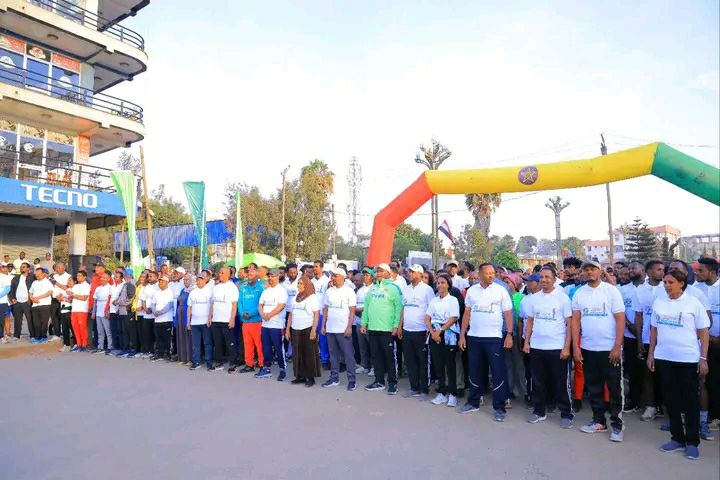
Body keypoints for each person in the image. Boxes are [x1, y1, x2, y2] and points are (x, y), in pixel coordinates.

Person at [648, 268, 710, 460]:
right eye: (665, 282)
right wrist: (651, 354)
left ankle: (692, 442)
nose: (667, 285)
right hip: (664, 358)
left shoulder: (693, 303)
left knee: (690, 401)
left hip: (687, 359)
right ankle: (677, 438)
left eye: (671, 282)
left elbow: (704, 332)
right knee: (671, 400)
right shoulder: (659, 302)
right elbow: (653, 330)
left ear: (681, 284)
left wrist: (703, 358)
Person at [571, 260, 626, 442]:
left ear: (600, 271)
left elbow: (620, 319)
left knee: (614, 387)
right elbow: (576, 321)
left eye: (592, 269)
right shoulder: (579, 293)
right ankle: (599, 421)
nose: (589, 272)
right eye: (586, 269)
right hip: (588, 348)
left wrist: (617, 346)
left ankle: (617, 424)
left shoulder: (611, 291)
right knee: (593, 386)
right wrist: (576, 347)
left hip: (609, 349)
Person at [459, 263, 514, 422]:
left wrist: (509, 335)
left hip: (494, 338)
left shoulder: (500, 290)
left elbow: (508, 314)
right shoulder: (472, 291)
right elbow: (467, 313)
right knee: (474, 370)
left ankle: (499, 407)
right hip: (474, 337)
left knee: (498, 372)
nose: (491, 276)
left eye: (493, 273)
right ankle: (473, 402)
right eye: (488, 273)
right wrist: (462, 335)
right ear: (480, 274)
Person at [524, 267, 574, 428]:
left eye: (547, 277)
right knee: (538, 381)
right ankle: (539, 411)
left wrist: (566, 347)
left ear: (554, 279)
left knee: (561, 382)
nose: (544, 280)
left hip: (557, 347)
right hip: (537, 347)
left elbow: (569, 324)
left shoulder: (562, 298)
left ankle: (566, 413)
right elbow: (530, 322)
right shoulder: (534, 299)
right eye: (541, 277)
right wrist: (526, 342)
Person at [361, 263, 403, 394]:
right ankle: (379, 381)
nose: (378, 274)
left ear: (388, 273)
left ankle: (392, 383)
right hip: (373, 328)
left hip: (387, 329)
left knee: (389, 357)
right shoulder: (372, 289)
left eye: (381, 271)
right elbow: (366, 307)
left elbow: (398, 308)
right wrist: (363, 323)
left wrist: (396, 325)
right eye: (377, 271)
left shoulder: (394, 288)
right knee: (376, 356)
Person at [635, 260, 666, 421]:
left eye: (663, 269)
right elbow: (638, 316)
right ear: (648, 272)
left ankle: (664, 406)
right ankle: (650, 406)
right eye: (658, 269)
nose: (662, 272)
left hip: (666, 339)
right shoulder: (640, 290)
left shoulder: (667, 287)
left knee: (665, 374)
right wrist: (640, 340)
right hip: (647, 339)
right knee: (648, 373)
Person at [399, 264, 436, 399]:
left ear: (420, 274)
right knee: (410, 360)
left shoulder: (427, 290)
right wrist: (400, 326)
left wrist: (430, 329)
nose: (410, 274)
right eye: (410, 272)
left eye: (413, 272)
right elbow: (403, 308)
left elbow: (432, 310)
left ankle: (424, 389)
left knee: (423, 361)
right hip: (407, 330)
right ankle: (414, 387)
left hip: (421, 331)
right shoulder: (406, 289)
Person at [426, 274, 461, 407]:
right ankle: (442, 393)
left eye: (443, 283)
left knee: (450, 365)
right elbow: (427, 317)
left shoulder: (453, 300)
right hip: (434, 334)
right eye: (438, 283)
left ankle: (452, 394)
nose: (440, 285)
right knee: (438, 365)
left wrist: (440, 331)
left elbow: (453, 318)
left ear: (448, 285)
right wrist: (433, 332)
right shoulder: (434, 300)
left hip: (448, 335)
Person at [322, 268, 357, 390]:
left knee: (348, 356)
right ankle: (334, 378)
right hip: (330, 328)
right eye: (332, 275)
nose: (333, 278)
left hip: (343, 329)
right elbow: (325, 309)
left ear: (343, 277)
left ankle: (352, 380)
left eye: (335, 275)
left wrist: (349, 327)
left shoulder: (349, 291)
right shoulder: (329, 291)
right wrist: (323, 325)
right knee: (333, 355)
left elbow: (352, 311)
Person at [695, 257, 719, 433]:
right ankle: (705, 415)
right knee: (703, 380)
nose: (697, 273)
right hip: (702, 343)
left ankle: (716, 416)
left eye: (700, 270)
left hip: (718, 342)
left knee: (717, 380)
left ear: (712, 272)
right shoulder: (696, 289)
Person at [619, 261, 644, 412]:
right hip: (629, 336)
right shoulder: (623, 290)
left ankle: (653, 403)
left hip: (647, 337)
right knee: (633, 371)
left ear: (643, 270)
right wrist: (630, 325)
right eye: (629, 269)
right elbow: (620, 311)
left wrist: (640, 329)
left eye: (634, 268)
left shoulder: (651, 288)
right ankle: (634, 400)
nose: (630, 271)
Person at [286, 276, 321, 386]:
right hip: (295, 328)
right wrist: (287, 329)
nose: (299, 285)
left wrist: (314, 330)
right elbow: (291, 314)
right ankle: (300, 376)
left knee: (309, 353)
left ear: (307, 285)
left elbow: (316, 314)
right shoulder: (295, 298)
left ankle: (310, 377)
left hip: (308, 327)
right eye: (298, 283)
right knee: (297, 354)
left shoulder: (312, 297)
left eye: (301, 283)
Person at [256, 269, 287, 380]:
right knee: (266, 347)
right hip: (265, 325)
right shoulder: (266, 291)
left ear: (278, 277)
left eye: (273, 276)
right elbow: (260, 305)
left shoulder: (282, 290)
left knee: (279, 348)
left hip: (277, 325)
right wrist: (262, 314)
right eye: (269, 276)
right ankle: (267, 368)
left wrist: (269, 315)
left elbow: (281, 306)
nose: (270, 278)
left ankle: (282, 369)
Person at [209, 267, 239, 371]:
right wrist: (210, 317)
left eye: (222, 273)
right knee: (217, 343)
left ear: (228, 275)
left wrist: (232, 319)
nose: (220, 274)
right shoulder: (216, 287)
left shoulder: (232, 287)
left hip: (227, 320)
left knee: (229, 343)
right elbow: (213, 303)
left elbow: (234, 305)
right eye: (219, 272)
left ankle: (232, 363)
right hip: (216, 320)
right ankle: (219, 362)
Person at [238, 266, 264, 373]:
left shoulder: (261, 288)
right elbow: (239, 302)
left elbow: (261, 304)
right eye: (248, 275)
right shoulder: (243, 288)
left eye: (252, 275)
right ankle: (249, 364)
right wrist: (242, 313)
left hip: (257, 321)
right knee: (247, 344)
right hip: (245, 322)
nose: (249, 277)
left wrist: (250, 313)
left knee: (259, 344)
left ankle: (262, 364)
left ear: (257, 276)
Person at [188, 272, 215, 371]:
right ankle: (196, 362)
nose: (199, 281)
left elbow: (212, 306)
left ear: (205, 280)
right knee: (195, 344)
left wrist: (210, 318)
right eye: (198, 279)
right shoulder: (193, 292)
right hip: (194, 322)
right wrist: (188, 321)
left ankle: (209, 362)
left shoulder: (210, 291)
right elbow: (189, 307)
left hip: (205, 322)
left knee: (207, 343)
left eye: (201, 279)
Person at [354, 267, 374, 375]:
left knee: (372, 346)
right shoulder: (360, 290)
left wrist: (358, 310)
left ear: (372, 277)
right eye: (364, 275)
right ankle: (364, 365)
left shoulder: (374, 289)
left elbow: (370, 306)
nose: (365, 277)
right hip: (359, 321)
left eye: (367, 275)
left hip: (369, 322)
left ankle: (374, 367)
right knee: (362, 346)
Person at [311, 260, 331, 369]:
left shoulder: (327, 281)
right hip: (312, 313)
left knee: (323, 338)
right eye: (313, 267)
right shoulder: (311, 281)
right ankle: (313, 358)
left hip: (322, 313)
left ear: (322, 268)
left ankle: (325, 359)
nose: (314, 269)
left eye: (317, 266)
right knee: (312, 337)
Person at [151, 274, 175, 361]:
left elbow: (170, 305)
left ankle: (167, 353)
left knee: (167, 337)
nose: (160, 283)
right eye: (160, 281)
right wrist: (154, 311)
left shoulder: (170, 292)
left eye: (162, 281)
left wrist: (160, 312)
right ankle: (159, 353)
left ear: (167, 283)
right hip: (157, 319)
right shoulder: (156, 292)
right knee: (158, 337)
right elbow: (153, 304)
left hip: (167, 319)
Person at [114, 269, 137, 357]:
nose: (124, 276)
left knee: (130, 331)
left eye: (126, 275)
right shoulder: (126, 284)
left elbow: (130, 299)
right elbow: (122, 296)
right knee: (124, 331)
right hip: (122, 311)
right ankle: (125, 348)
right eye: (124, 275)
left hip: (127, 311)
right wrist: (117, 301)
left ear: (129, 275)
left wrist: (118, 302)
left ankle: (132, 349)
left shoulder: (131, 284)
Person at [8, 262, 34, 341]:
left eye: (23, 267)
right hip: (17, 303)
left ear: (28, 268)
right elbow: (11, 289)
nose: (21, 268)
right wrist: (12, 298)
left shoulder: (32, 277)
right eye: (21, 267)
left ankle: (32, 335)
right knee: (17, 320)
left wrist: (31, 299)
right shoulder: (16, 278)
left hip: (27, 302)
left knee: (30, 320)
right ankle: (17, 336)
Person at [29, 267, 54, 343]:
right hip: (35, 305)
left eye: (38, 273)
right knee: (36, 323)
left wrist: (37, 298)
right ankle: (37, 337)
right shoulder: (34, 282)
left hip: (45, 305)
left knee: (44, 322)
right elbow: (30, 292)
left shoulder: (47, 282)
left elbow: (49, 292)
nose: (37, 275)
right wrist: (32, 299)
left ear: (43, 274)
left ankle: (44, 337)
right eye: (36, 273)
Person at [68, 271, 90, 351]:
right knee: (75, 328)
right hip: (74, 310)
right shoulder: (75, 286)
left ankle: (84, 345)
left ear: (84, 277)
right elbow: (71, 298)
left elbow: (84, 298)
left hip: (82, 310)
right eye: (77, 276)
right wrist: (64, 297)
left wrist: (73, 295)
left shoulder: (87, 286)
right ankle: (78, 344)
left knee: (82, 328)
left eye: (80, 276)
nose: (78, 277)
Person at [175, 273, 194, 364]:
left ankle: (190, 359)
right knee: (181, 336)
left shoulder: (193, 290)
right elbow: (178, 303)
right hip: (180, 314)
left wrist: (189, 319)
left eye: (187, 280)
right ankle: (182, 358)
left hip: (187, 314)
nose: (185, 281)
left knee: (188, 337)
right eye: (184, 280)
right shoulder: (182, 290)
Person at [49, 262, 70, 342]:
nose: (57, 269)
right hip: (54, 299)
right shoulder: (54, 276)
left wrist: (56, 283)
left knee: (64, 318)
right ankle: (56, 334)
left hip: (64, 300)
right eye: (57, 267)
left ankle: (66, 336)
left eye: (59, 267)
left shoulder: (68, 276)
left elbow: (66, 287)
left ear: (64, 268)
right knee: (54, 317)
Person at [92, 273, 113, 354]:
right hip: (98, 312)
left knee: (108, 330)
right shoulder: (98, 288)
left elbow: (110, 301)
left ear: (108, 279)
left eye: (104, 278)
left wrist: (108, 311)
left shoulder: (110, 288)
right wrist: (93, 313)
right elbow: (95, 301)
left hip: (106, 311)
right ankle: (100, 346)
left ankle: (110, 346)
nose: (102, 279)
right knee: (100, 331)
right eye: (101, 277)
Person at [55, 276, 74, 352]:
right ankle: (67, 345)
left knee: (72, 329)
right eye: (68, 280)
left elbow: (71, 300)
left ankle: (76, 344)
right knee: (65, 330)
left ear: (75, 282)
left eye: (70, 280)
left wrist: (63, 298)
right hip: (63, 311)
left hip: (69, 311)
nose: (68, 282)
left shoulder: (75, 290)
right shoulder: (66, 290)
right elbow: (58, 298)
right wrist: (63, 298)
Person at [108, 271, 125, 353]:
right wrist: (107, 309)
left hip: (120, 311)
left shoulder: (123, 286)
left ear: (121, 278)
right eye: (114, 277)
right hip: (112, 310)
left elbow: (123, 298)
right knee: (113, 329)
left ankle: (121, 347)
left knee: (120, 330)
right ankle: (115, 347)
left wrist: (117, 304)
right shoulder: (112, 286)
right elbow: (109, 298)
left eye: (117, 277)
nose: (115, 278)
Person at [0, 263, 12, 342]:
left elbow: (7, 289)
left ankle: (1, 336)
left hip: (2, 302)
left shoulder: (5, 277)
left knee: (1, 320)